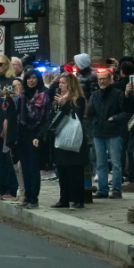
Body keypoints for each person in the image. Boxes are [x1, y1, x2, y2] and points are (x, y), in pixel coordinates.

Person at [35, 73, 86, 209]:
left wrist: (65, 104)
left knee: (75, 171)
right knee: (62, 171)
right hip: (60, 139)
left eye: (63, 83)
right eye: (60, 83)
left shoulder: (78, 99)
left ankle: (78, 199)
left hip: (74, 139)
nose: (60, 86)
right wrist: (40, 136)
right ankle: (64, 198)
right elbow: (52, 120)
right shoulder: (57, 100)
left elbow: (77, 115)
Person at [87, 68, 130, 198]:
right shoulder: (95, 95)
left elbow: (126, 113)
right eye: (100, 79)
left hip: (114, 132)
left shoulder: (118, 94)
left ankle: (116, 190)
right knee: (100, 163)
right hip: (98, 132)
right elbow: (90, 111)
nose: (102, 81)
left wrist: (114, 119)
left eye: (105, 78)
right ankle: (103, 190)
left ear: (110, 79)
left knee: (116, 163)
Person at [16, 69, 49, 208]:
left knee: (34, 168)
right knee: (25, 167)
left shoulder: (43, 94)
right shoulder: (23, 95)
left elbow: (44, 117)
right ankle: (27, 196)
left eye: (34, 78)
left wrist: (39, 135)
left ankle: (34, 198)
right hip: (23, 134)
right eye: (28, 78)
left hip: (36, 133)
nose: (31, 81)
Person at [0, 78, 20, 201]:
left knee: (11, 162)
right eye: (11, 87)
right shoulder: (7, 99)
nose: (13, 90)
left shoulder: (21, 99)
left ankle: (12, 188)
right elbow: (4, 109)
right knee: (2, 161)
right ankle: (3, 187)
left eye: (16, 86)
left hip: (15, 132)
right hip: (3, 132)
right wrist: (5, 95)